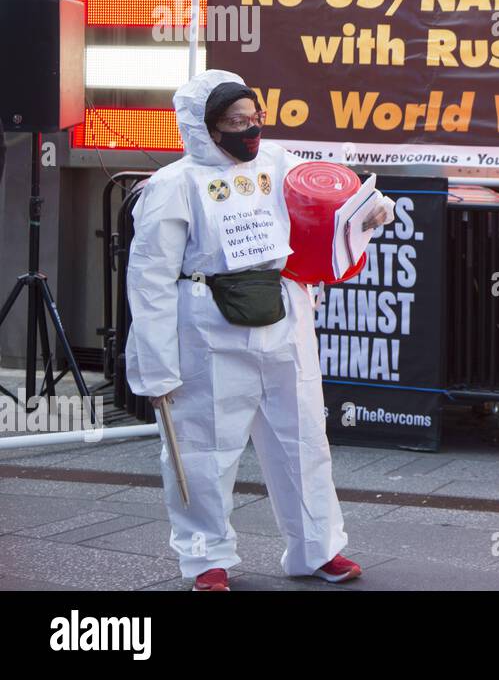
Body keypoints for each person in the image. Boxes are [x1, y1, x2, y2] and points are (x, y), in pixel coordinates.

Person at [125, 69, 394, 590]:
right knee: (202, 450)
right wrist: (156, 369)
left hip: (283, 314)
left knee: (304, 439)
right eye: (235, 121)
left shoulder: (277, 162)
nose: (250, 129)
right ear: (206, 126)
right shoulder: (172, 185)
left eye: (255, 118)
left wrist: (367, 210)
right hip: (206, 327)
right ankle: (206, 559)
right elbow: (150, 280)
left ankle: (317, 549)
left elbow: (330, 203)